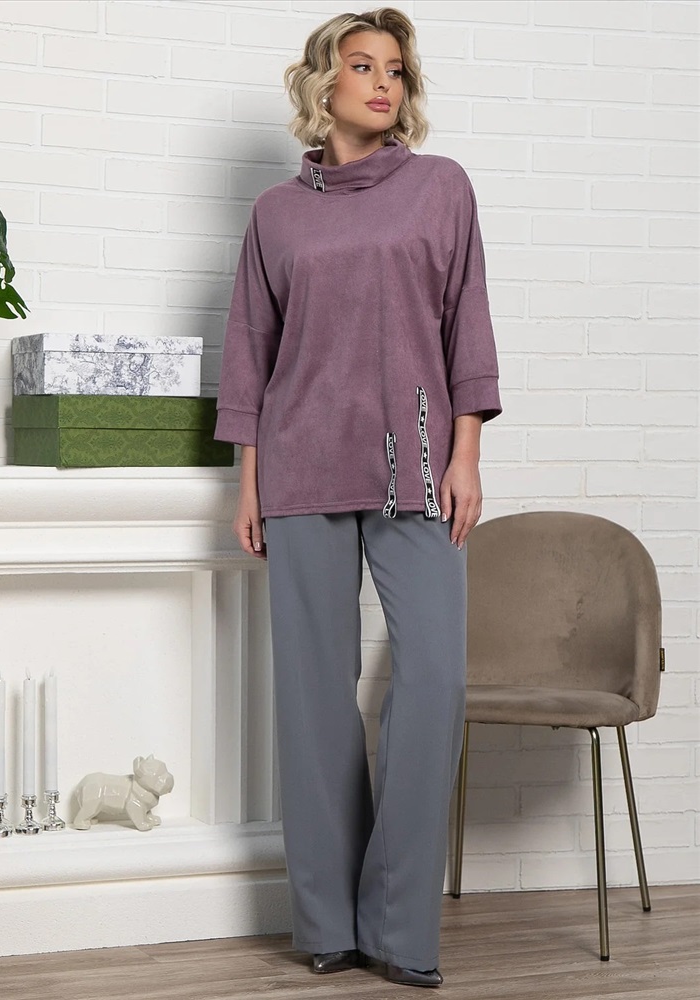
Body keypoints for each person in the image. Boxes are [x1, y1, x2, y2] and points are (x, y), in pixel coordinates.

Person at [213, 6, 502, 990]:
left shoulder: (440, 187)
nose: (383, 83)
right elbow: (250, 349)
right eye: (363, 65)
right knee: (312, 694)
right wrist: (249, 481)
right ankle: (328, 921)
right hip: (298, 468)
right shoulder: (275, 215)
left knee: (435, 679)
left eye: (395, 69)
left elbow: (467, 325)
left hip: (416, 466)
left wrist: (466, 454)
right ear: (322, 83)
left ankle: (397, 925)